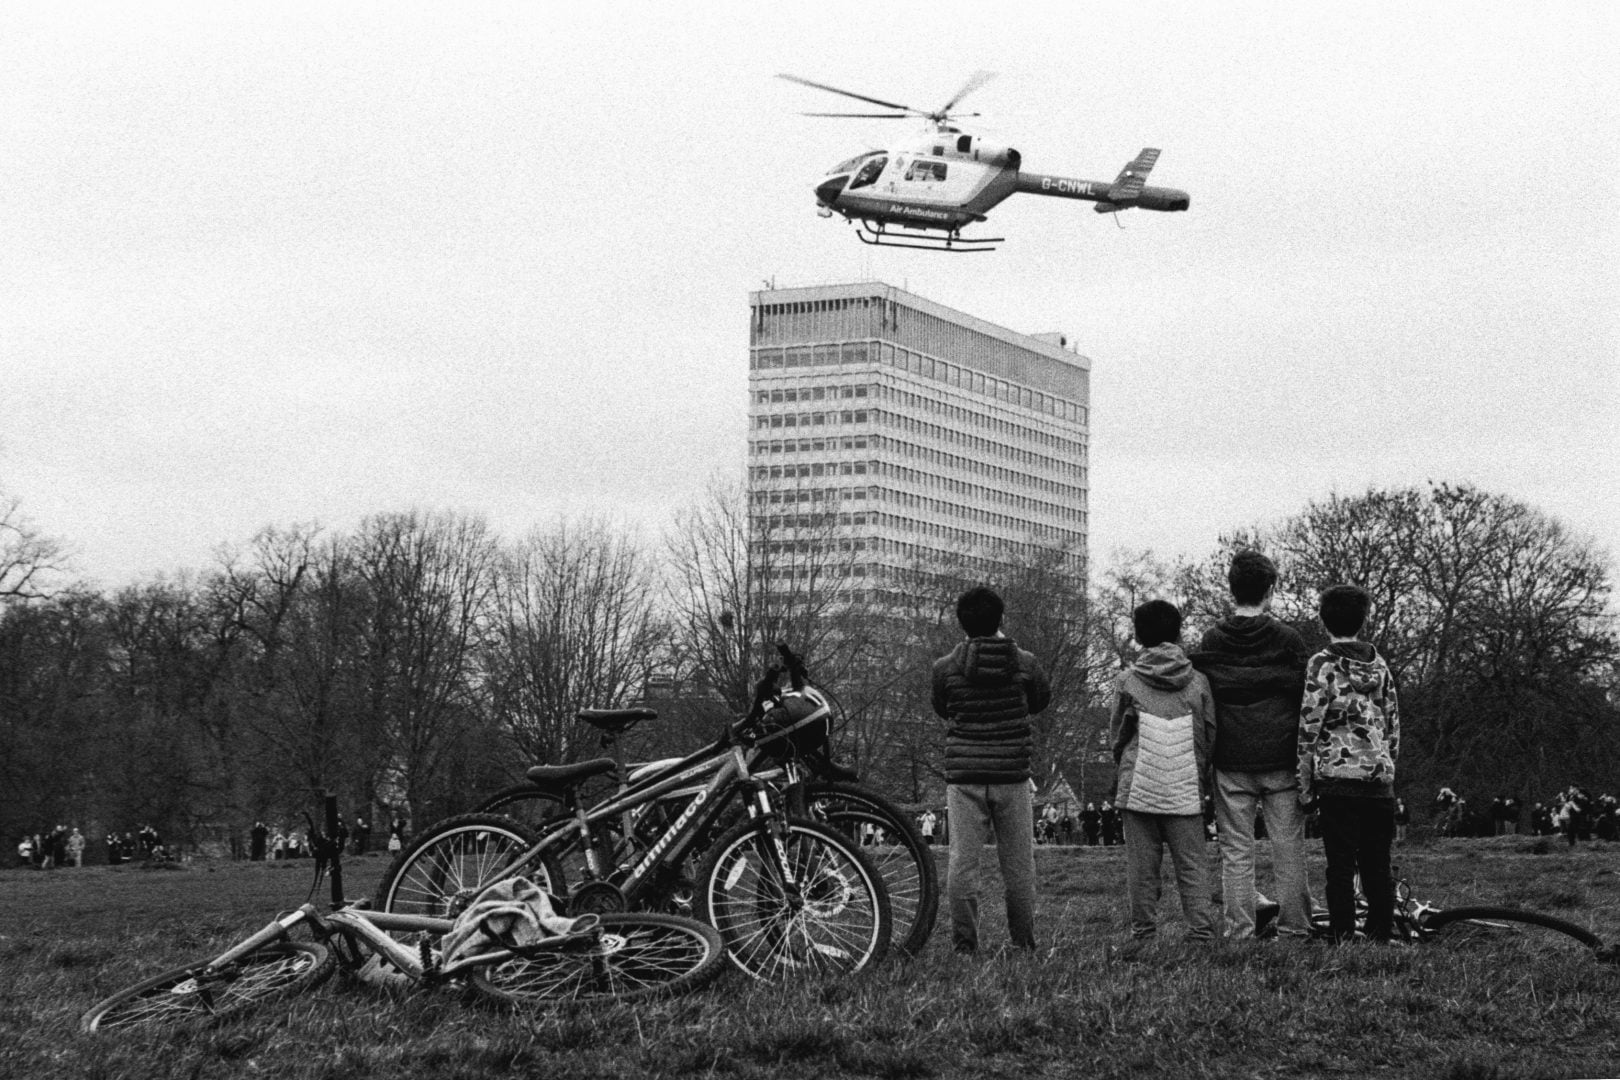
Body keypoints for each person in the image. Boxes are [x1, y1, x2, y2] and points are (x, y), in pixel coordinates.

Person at [1190, 550, 1311, 940]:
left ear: (1231, 589)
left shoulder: (1214, 639)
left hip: (1231, 758)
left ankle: (1240, 930)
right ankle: (1295, 930)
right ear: (1270, 590)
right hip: (1281, 758)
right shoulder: (1288, 639)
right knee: (1288, 848)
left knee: (1236, 850)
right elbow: (1304, 700)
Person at [931, 585, 1052, 953]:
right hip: (1012, 774)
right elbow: (1039, 701)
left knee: (962, 865)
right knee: (1019, 867)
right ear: (1001, 618)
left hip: (964, 777)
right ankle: (1023, 943)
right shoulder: (1026, 663)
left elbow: (943, 708)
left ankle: (965, 945)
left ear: (961, 623)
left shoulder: (944, 668)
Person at [1298, 584, 1400, 944]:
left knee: (1340, 865)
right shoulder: (1381, 666)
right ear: (1364, 619)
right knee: (1378, 866)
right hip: (1378, 782)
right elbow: (1393, 725)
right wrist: (1385, 767)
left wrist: (1305, 785)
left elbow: (1309, 726)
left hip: (1338, 781)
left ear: (1323, 620)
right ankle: (1380, 935)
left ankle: (1342, 936)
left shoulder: (1321, 665)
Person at [1111, 599, 1218, 941]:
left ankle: (1143, 933)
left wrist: (1123, 765)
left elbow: (1117, 735)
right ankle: (1200, 932)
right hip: (1184, 784)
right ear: (1177, 632)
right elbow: (1210, 733)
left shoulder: (1128, 680)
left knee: (1142, 867)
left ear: (1139, 635)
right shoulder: (1198, 681)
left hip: (1139, 785)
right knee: (1192, 865)